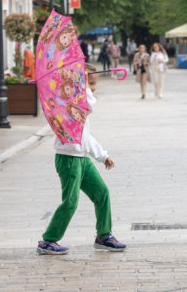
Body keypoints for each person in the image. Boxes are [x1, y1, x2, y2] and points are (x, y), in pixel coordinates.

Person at [37, 63, 127, 255]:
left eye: (93, 84)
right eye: (91, 84)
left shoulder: (77, 102)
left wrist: (103, 156)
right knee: (70, 202)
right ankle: (48, 240)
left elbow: (86, 136)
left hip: (82, 158)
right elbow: (89, 105)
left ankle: (104, 235)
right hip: (68, 159)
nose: (93, 88)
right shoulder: (66, 101)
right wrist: (83, 85)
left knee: (101, 192)